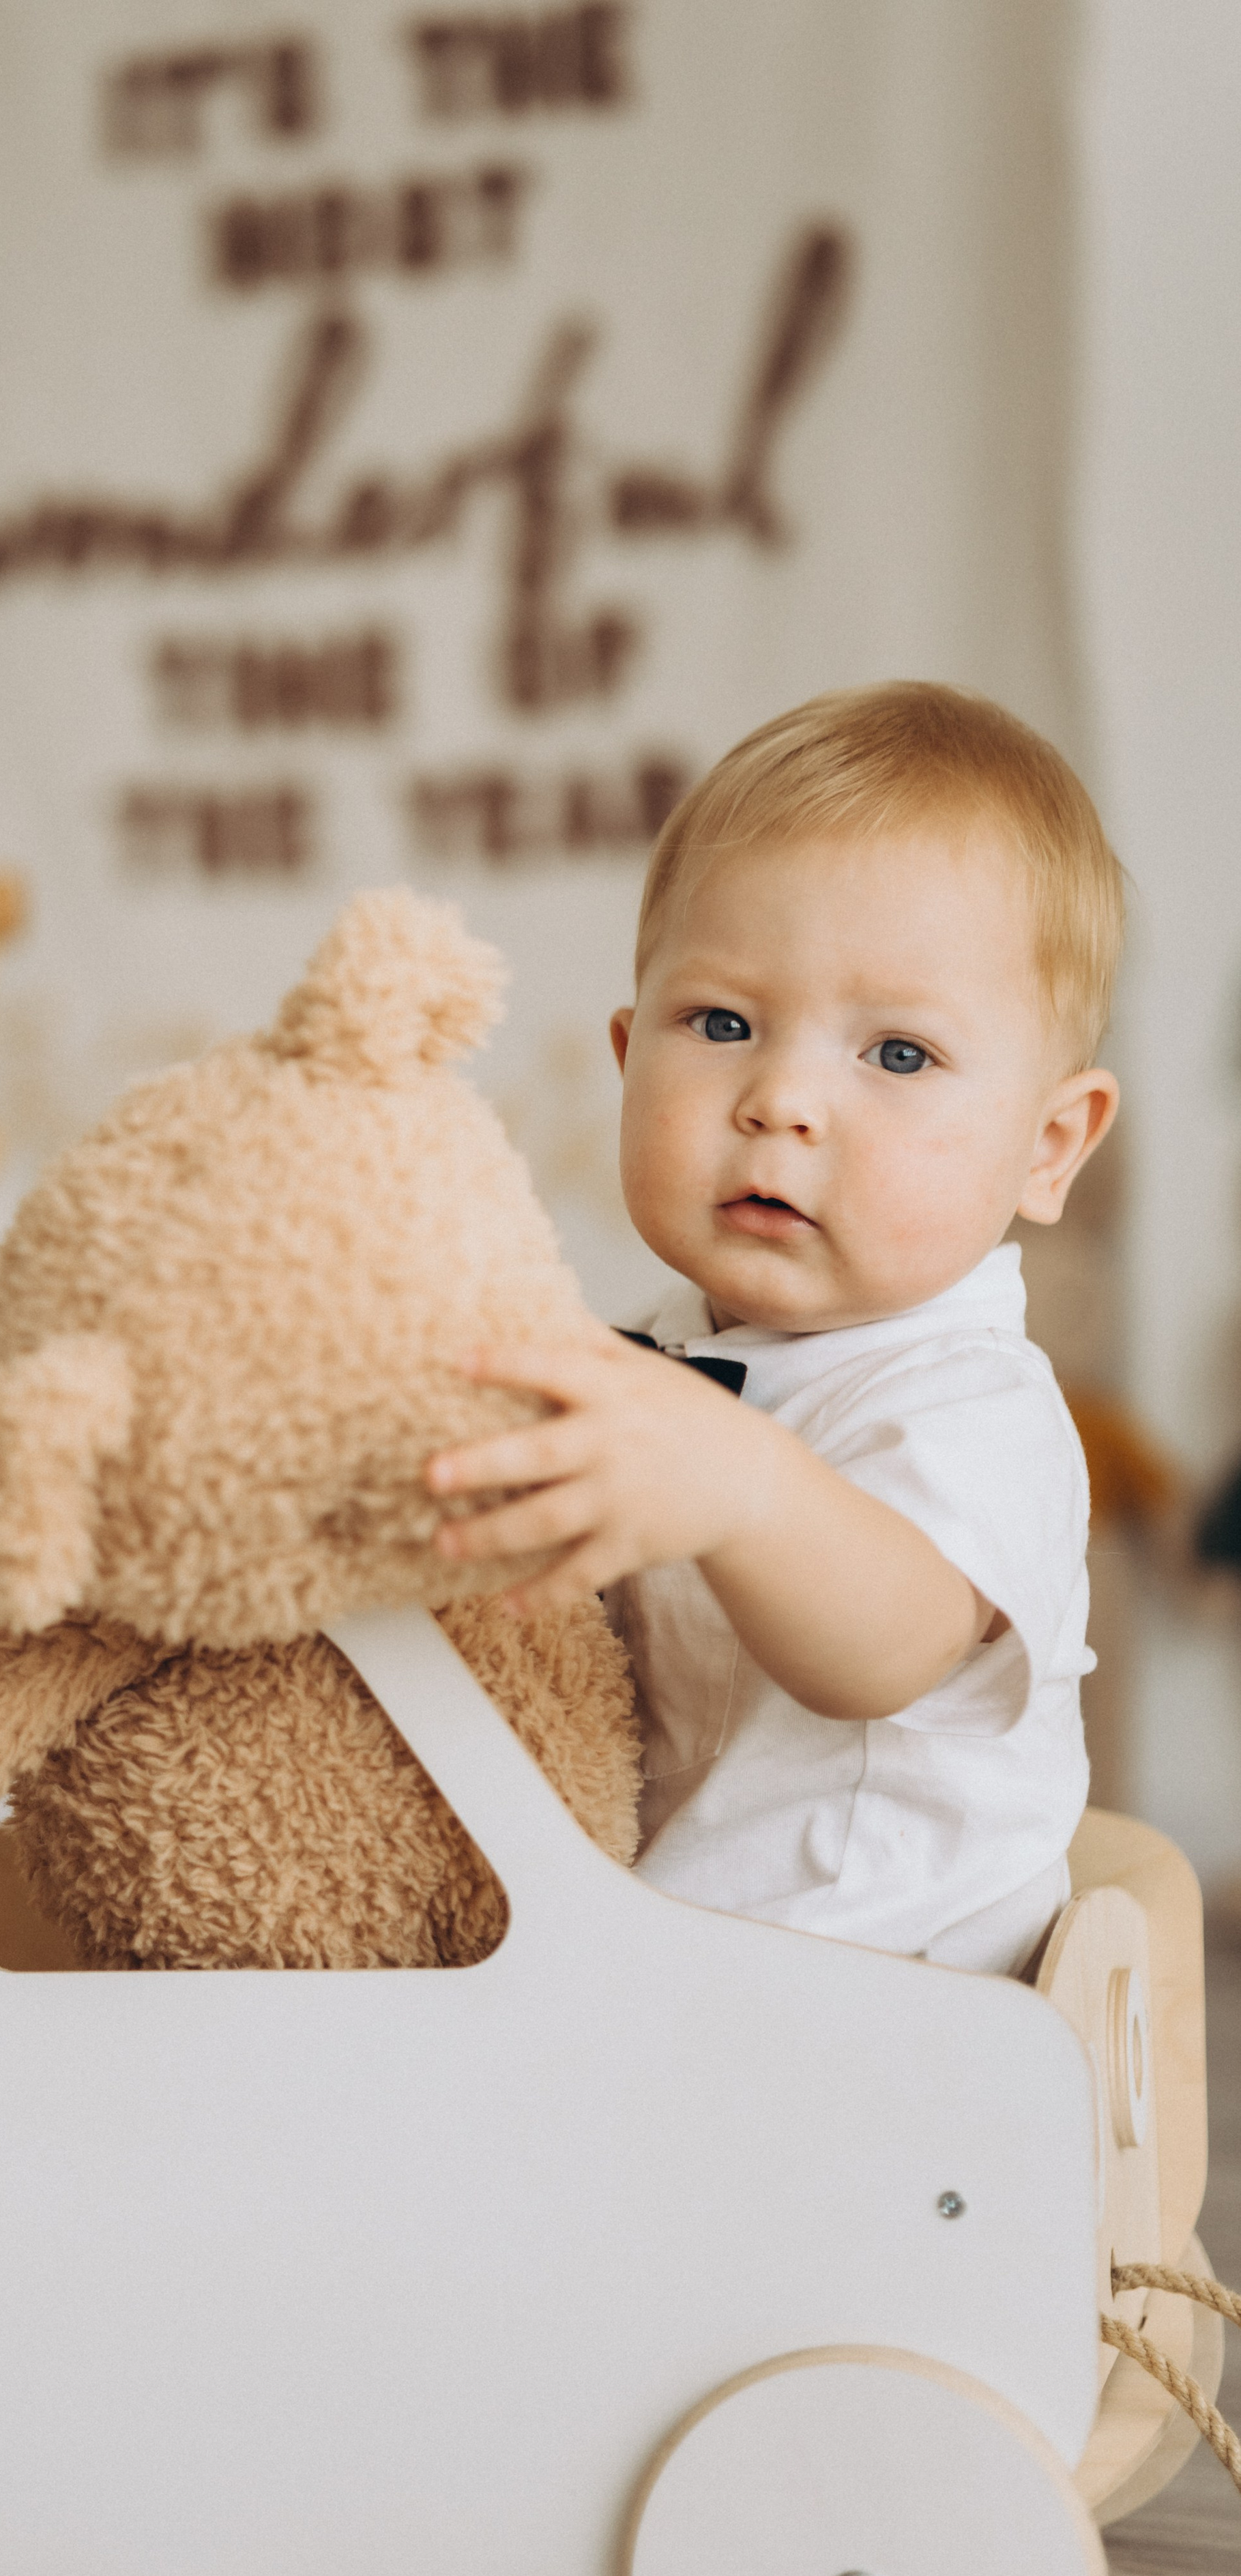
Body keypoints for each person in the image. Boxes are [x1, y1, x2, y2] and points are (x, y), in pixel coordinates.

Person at [427, 682, 1124, 1974]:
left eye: (899, 1055)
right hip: (673, 1973)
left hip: (885, 2019)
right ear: (631, 1055)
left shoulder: (968, 1398)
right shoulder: (659, 1347)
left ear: (1047, 1145)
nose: (783, 1098)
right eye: (724, 1024)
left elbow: (893, 1644)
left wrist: (743, 1486)